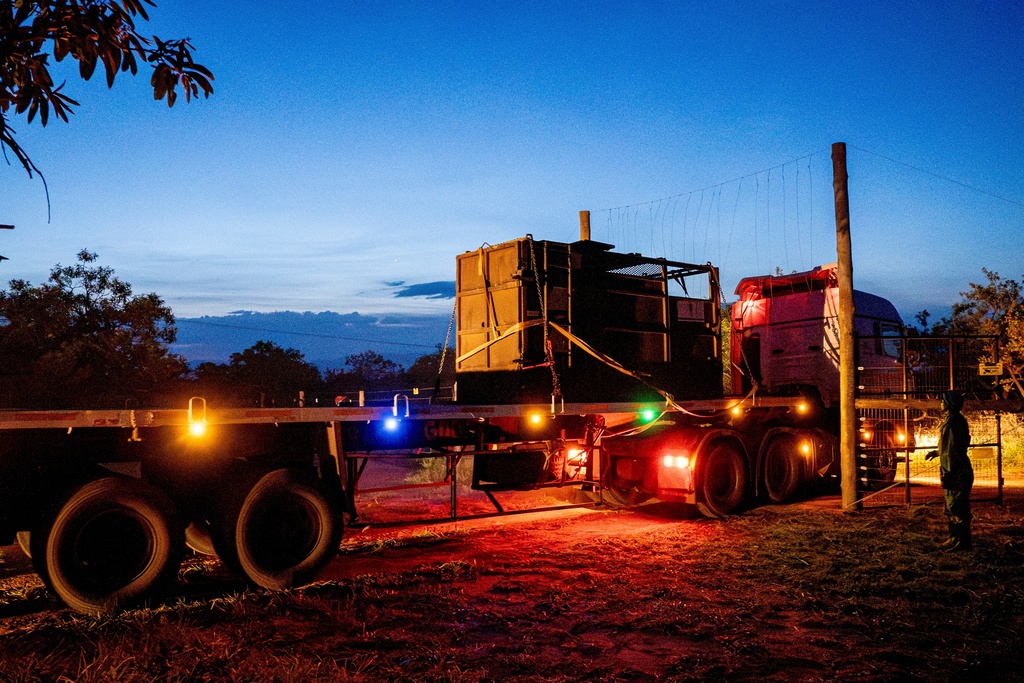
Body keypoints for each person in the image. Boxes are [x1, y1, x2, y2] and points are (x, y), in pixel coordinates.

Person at [925, 391, 973, 551]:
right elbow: (950, 445)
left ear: (949, 404)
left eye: (943, 401)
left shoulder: (954, 423)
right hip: (954, 470)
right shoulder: (953, 421)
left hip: (956, 472)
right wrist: (936, 452)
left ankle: (962, 542)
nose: (940, 403)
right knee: (951, 506)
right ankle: (954, 538)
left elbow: (954, 450)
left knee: (957, 507)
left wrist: (949, 473)